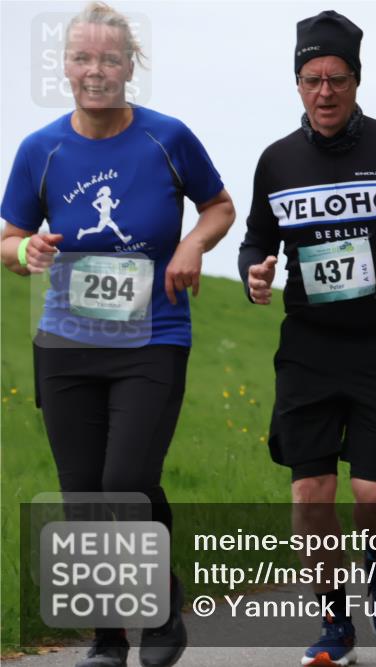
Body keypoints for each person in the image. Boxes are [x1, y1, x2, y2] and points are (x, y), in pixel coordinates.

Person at [0, 4, 235, 666]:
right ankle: (107, 636)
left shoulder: (168, 138)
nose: (95, 71)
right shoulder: (39, 150)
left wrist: (191, 246)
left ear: (131, 65)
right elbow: (8, 238)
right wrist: (27, 254)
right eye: (82, 58)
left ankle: (159, 605)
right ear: (65, 66)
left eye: (109, 58)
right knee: (84, 496)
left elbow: (219, 204)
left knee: (127, 479)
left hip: (153, 335)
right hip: (67, 344)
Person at [237, 10, 376, 666]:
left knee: (375, 492)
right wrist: (254, 268)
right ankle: (334, 621)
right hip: (307, 344)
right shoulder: (277, 160)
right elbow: (255, 234)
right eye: (311, 80)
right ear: (297, 84)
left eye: (336, 78)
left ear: (357, 80)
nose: (323, 92)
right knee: (310, 493)